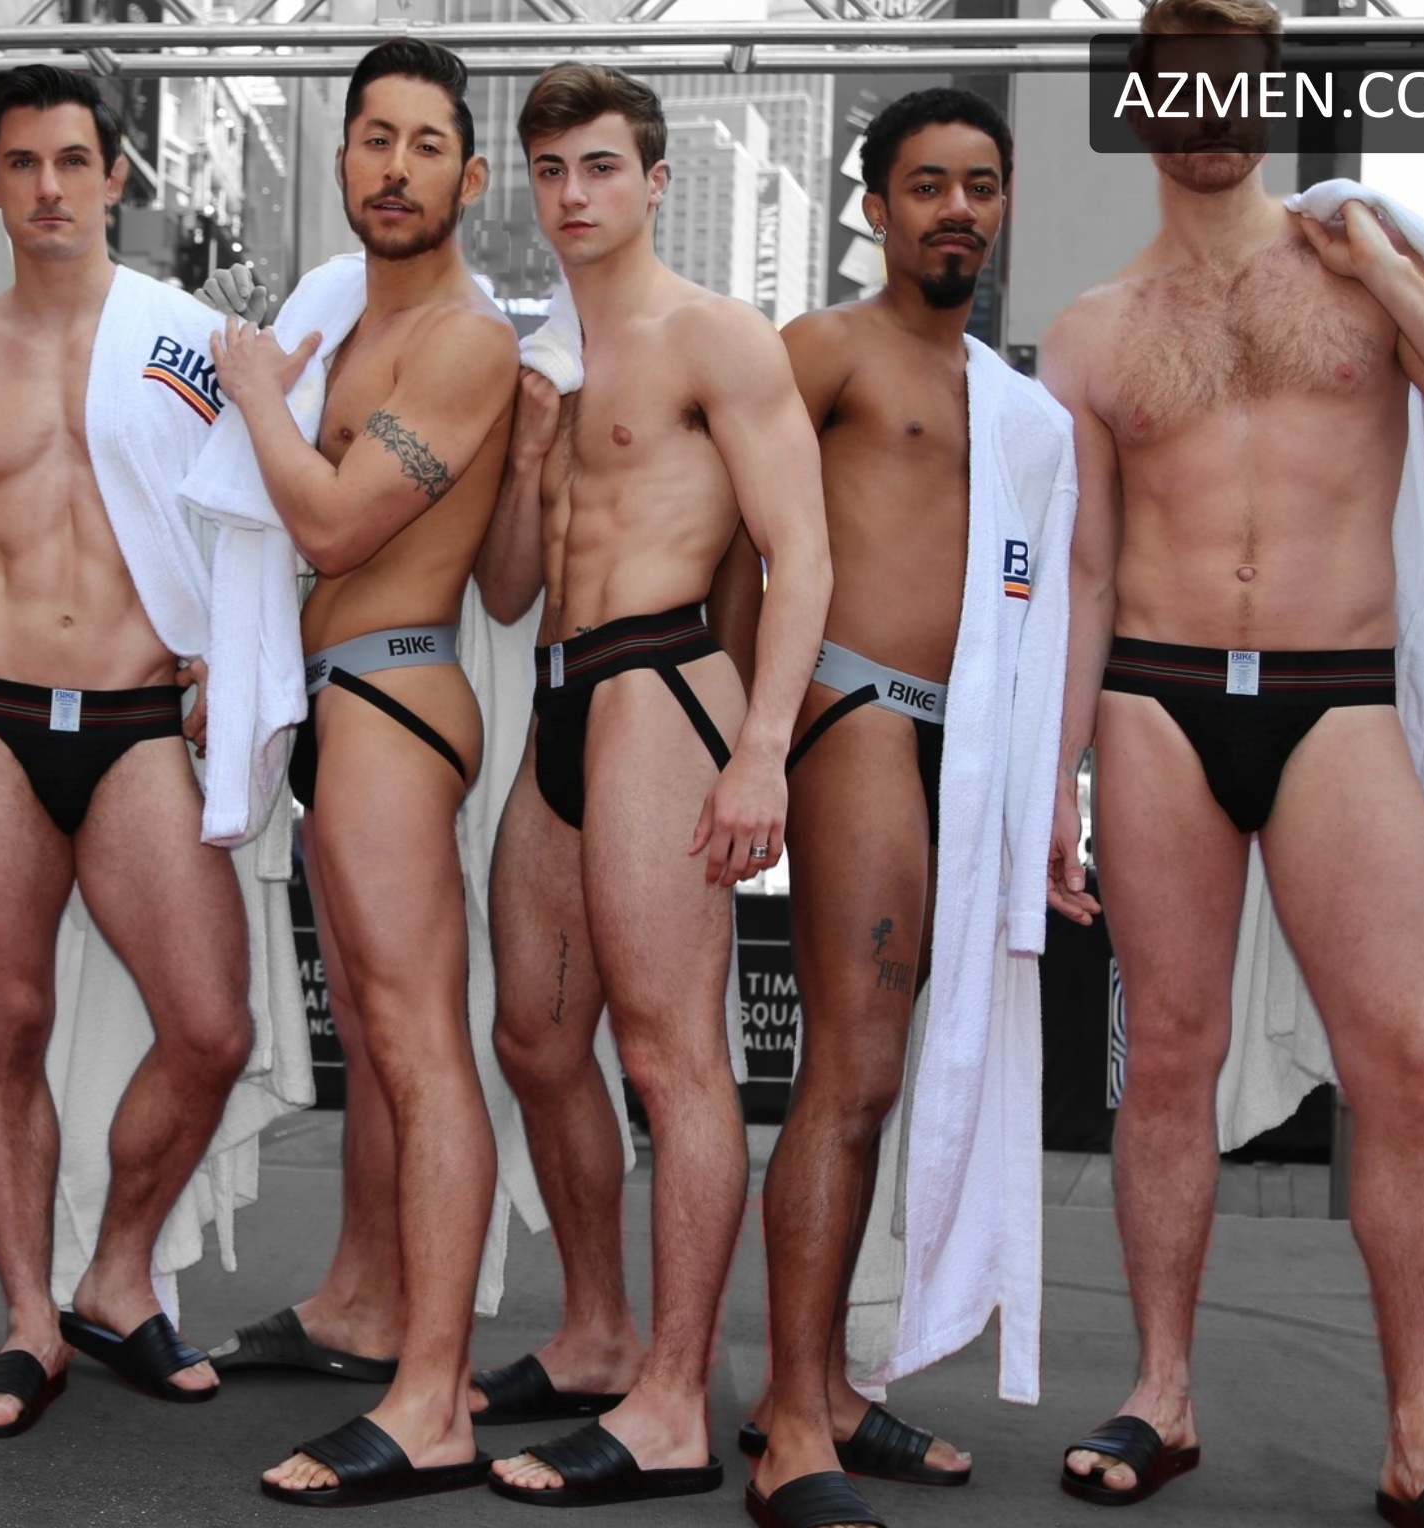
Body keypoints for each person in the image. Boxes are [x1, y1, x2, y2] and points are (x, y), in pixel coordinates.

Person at [1043, 2, 1424, 1521]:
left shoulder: (1362, 272)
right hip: (1154, 699)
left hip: (1339, 694)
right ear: (1142, 105)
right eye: (1183, 85)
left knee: (1402, 1058)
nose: (1211, 109)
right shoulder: (1092, 327)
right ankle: (1161, 1394)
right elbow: (1086, 571)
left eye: (1236, 83)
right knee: (1166, 1053)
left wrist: (1390, 275)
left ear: (1271, 99)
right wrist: (1055, 784)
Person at [0, 63, 253, 1439]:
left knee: (209, 1028)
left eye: (72, 160)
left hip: (140, 722)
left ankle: (116, 1274)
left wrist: (232, 656)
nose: (48, 187)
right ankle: (30, 1319)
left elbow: (258, 526)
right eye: (21, 163)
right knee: (7, 1027)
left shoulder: (193, 342)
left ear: (116, 175)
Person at [712, 84, 1077, 1528]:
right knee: (852, 1074)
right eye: (927, 185)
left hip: (968, 749)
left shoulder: (1016, 402)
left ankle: (824, 1390)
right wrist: (752, 733)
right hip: (853, 715)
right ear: (875, 208)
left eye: (979, 185)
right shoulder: (823, 348)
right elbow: (739, 548)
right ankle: (792, 1424)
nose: (956, 210)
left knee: (899, 1077)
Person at [471, 62, 831, 1508]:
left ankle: (676, 1400)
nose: (573, 195)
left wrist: (762, 750)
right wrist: (527, 453)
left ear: (656, 180)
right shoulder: (541, 360)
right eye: (552, 169)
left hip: (664, 683)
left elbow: (800, 554)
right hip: (559, 689)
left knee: (671, 1057)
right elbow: (508, 590)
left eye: (601, 166)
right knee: (532, 1038)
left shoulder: (714, 337)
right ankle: (596, 1334)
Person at [206, 38, 519, 1508]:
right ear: (341, 158)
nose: (395, 169)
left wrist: (254, 392)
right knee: (379, 1048)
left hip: (395, 695)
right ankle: (363, 1305)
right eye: (373, 139)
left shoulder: (462, 342)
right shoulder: (340, 318)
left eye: (424, 144)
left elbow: (334, 525)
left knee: (418, 1044)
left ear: (471, 174)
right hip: (343, 702)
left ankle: (433, 1399)